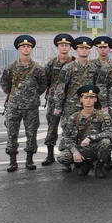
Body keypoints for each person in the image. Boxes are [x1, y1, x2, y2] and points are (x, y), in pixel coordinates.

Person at [1, 35, 48, 172]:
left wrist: (32, 95)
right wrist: (14, 95)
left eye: (28, 46)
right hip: (14, 106)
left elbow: (42, 85)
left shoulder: (38, 68)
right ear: (18, 49)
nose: (26, 48)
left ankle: (29, 159)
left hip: (31, 107)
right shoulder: (11, 67)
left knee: (31, 133)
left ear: (31, 49)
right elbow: (5, 83)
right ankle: (12, 161)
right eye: (23, 46)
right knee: (12, 133)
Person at [56, 84, 112, 178]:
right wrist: (75, 152)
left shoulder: (103, 115)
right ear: (81, 99)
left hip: (96, 146)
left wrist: (91, 138)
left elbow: (109, 133)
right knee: (62, 157)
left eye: (91, 97)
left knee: (106, 142)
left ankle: (99, 167)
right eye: (86, 97)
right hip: (81, 147)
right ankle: (84, 164)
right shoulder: (74, 116)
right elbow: (67, 137)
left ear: (95, 100)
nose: (88, 100)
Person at [41, 33, 75, 167]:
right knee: (51, 126)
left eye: (66, 45)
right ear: (57, 47)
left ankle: (68, 154)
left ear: (70, 47)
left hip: (69, 100)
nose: (64, 48)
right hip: (54, 100)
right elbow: (45, 81)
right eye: (61, 45)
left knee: (68, 127)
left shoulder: (74, 62)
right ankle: (50, 154)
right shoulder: (51, 63)